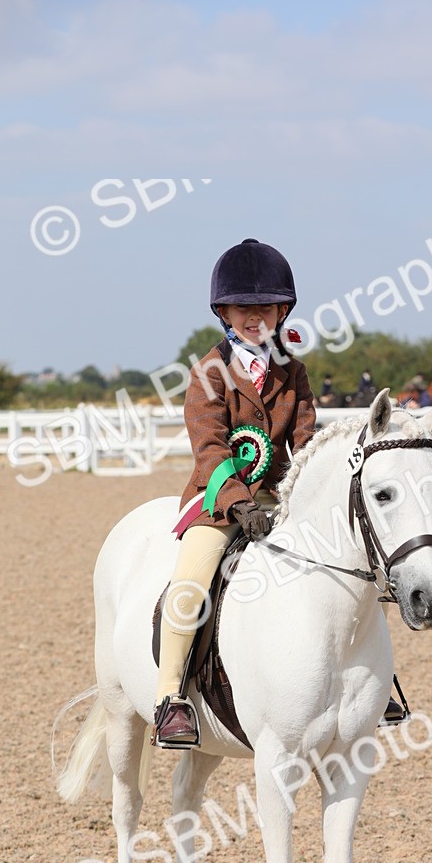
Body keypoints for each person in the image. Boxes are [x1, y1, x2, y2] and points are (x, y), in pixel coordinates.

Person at [153, 237, 316, 747]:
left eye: (265, 307)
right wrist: (238, 503)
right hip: (219, 501)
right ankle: (170, 697)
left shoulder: (293, 370)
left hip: (279, 497)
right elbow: (209, 448)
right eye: (244, 308)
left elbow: (306, 440)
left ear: (281, 310)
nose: (255, 317)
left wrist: (313, 485)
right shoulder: (207, 372)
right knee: (192, 582)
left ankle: (365, 683)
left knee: (347, 557)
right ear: (223, 311)